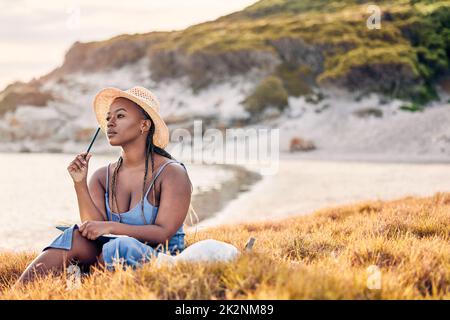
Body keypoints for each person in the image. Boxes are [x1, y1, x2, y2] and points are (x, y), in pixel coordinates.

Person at [16, 86, 193, 285]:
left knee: (120, 246)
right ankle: (16, 293)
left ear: (144, 125)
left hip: (162, 257)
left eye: (120, 116)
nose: (110, 122)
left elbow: (163, 233)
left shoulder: (172, 173)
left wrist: (111, 226)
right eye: (108, 118)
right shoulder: (102, 176)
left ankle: (89, 289)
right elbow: (92, 228)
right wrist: (80, 183)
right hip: (111, 251)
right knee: (74, 236)